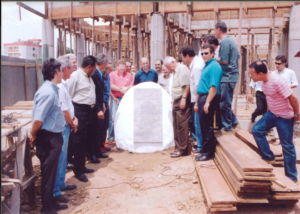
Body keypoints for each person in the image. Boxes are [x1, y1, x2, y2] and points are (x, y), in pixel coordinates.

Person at [250, 61, 300, 183]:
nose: (251, 77)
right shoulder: (262, 80)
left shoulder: (278, 81)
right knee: (257, 130)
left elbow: (293, 98)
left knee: (287, 145)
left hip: (284, 116)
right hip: (272, 113)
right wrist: (268, 112)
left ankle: (291, 177)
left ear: (261, 74)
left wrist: (297, 115)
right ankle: (268, 156)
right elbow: (270, 97)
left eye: (252, 74)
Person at [31, 58, 67, 213]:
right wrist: (33, 134)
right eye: (61, 70)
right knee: (48, 175)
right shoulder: (48, 93)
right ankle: (47, 208)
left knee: (51, 174)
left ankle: (51, 203)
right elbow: (38, 119)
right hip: (48, 138)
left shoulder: (51, 90)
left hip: (53, 137)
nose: (62, 73)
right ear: (56, 72)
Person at [68, 55, 97, 182]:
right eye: (94, 68)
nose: (95, 70)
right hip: (79, 111)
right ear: (89, 67)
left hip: (89, 111)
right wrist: (73, 116)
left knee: (85, 139)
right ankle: (78, 171)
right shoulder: (75, 76)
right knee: (78, 141)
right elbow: (68, 96)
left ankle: (82, 166)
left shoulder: (89, 77)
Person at [53, 55, 78, 204]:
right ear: (65, 68)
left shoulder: (64, 84)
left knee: (63, 158)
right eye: (71, 68)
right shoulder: (59, 86)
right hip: (63, 126)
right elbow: (64, 110)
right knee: (60, 158)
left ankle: (61, 183)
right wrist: (72, 122)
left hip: (67, 125)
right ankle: (56, 190)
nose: (72, 71)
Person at [194, 44, 222, 161]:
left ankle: (208, 153)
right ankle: (205, 150)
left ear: (212, 53)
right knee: (203, 125)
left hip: (208, 97)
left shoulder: (215, 66)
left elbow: (213, 87)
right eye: (202, 53)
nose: (204, 55)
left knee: (207, 126)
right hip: (203, 97)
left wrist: (207, 102)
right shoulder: (207, 66)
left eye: (206, 53)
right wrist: (197, 102)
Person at [215, 21, 240, 133]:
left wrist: (214, 59)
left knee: (224, 103)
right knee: (226, 102)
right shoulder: (232, 41)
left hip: (227, 76)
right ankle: (233, 122)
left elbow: (224, 61)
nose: (214, 32)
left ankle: (227, 126)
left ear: (219, 30)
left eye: (215, 30)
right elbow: (237, 57)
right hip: (232, 75)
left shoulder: (225, 42)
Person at [164, 56, 191, 158]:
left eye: (168, 66)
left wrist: (183, 98)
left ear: (172, 62)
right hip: (176, 100)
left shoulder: (182, 69)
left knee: (182, 126)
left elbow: (187, 85)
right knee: (176, 125)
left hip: (182, 99)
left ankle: (182, 149)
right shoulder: (175, 72)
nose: (167, 69)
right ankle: (178, 147)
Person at [180, 45, 205, 154]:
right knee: (197, 123)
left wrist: (196, 103)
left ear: (187, 56)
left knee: (198, 124)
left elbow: (199, 86)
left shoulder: (196, 67)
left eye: (182, 57)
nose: (182, 60)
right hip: (197, 98)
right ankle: (200, 145)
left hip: (198, 99)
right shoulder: (197, 62)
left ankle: (200, 147)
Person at [107, 60, 134, 142]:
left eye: (123, 66)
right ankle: (111, 137)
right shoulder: (112, 75)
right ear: (117, 66)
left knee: (126, 117)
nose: (122, 68)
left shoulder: (129, 75)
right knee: (113, 118)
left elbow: (132, 85)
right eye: (120, 66)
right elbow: (111, 85)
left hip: (126, 99)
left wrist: (126, 88)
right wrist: (120, 89)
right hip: (115, 99)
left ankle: (123, 136)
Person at [91, 53, 110, 160]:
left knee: (100, 129)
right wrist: (98, 108)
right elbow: (93, 94)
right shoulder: (94, 74)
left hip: (100, 104)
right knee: (95, 131)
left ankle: (98, 150)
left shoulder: (100, 74)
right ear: (103, 63)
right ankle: (93, 153)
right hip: (95, 108)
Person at [100, 61, 113, 149]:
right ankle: (98, 147)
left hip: (106, 102)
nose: (110, 70)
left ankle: (102, 145)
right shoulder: (100, 76)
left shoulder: (107, 76)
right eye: (109, 68)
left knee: (105, 126)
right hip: (101, 103)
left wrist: (113, 97)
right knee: (100, 126)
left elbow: (108, 89)